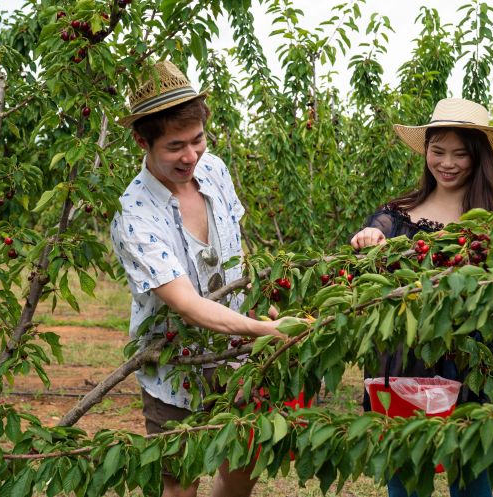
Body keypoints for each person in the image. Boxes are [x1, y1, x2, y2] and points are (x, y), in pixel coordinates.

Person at [112, 60, 285, 497]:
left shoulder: (215, 170)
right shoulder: (134, 213)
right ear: (142, 141)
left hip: (238, 354)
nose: (191, 156)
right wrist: (261, 329)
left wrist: (258, 303)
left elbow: (235, 248)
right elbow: (185, 303)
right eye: (175, 146)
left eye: (198, 140)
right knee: (180, 484)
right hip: (174, 366)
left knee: (244, 463)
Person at [350, 97, 493, 497]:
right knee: (406, 478)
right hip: (404, 358)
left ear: (479, 159)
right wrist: (366, 242)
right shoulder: (395, 216)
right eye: (437, 150)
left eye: (460, 154)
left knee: (472, 479)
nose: (446, 163)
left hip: (473, 360)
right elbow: (364, 276)